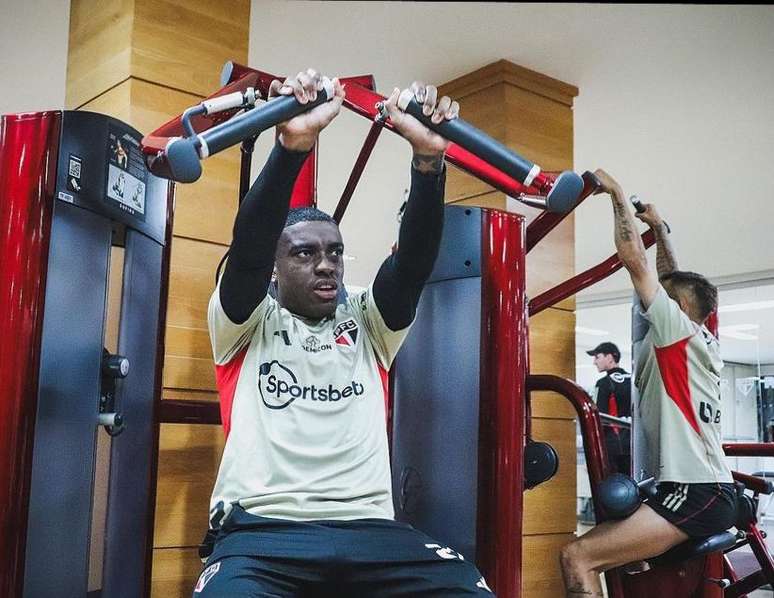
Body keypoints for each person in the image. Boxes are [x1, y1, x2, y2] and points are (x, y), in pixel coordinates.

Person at [194, 68, 493, 597]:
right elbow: (247, 254)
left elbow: (411, 267)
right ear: (275, 269)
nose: (326, 264)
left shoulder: (368, 324)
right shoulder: (247, 323)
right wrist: (291, 149)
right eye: (304, 253)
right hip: (263, 532)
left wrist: (429, 162)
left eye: (334, 252)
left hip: (371, 531)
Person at [560, 170, 736, 597]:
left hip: (695, 492)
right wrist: (658, 229)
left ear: (678, 309)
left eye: (661, 297)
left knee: (577, 556)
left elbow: (635, 261)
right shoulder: (694, 337)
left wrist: (616, 194)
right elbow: (673, 278)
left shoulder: (677, 334)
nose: (649, 299)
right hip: (701, 487)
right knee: (624, 559)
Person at [587, 341, 631, 475]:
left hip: (613, 446)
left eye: (597, 357)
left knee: (614, 484)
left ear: (610, 357)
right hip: (635, 444)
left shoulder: (603, 383)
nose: (594, 362)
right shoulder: (633, 380)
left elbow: (598, 417)